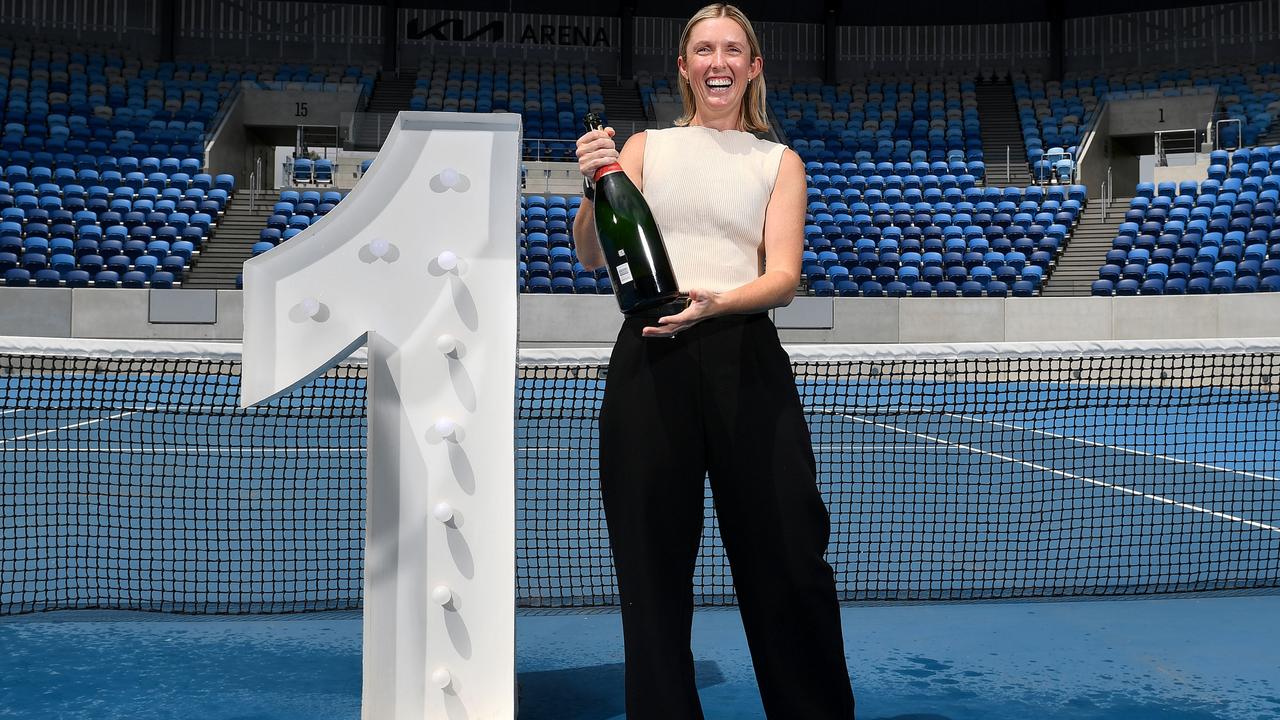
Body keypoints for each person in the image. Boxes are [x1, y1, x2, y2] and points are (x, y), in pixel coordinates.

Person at [572, 4, 855, 718]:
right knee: (651, 571)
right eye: (704, 49)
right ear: (684, 67)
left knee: (790, 559)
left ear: (753, 66)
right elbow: (591, 251)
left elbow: (783, 277)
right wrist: (592, 182)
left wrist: (719, 302)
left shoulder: (778, 162)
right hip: (649, 358)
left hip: (745, 360)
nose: (718, 61)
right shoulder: (642, 149)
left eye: (733, 49)